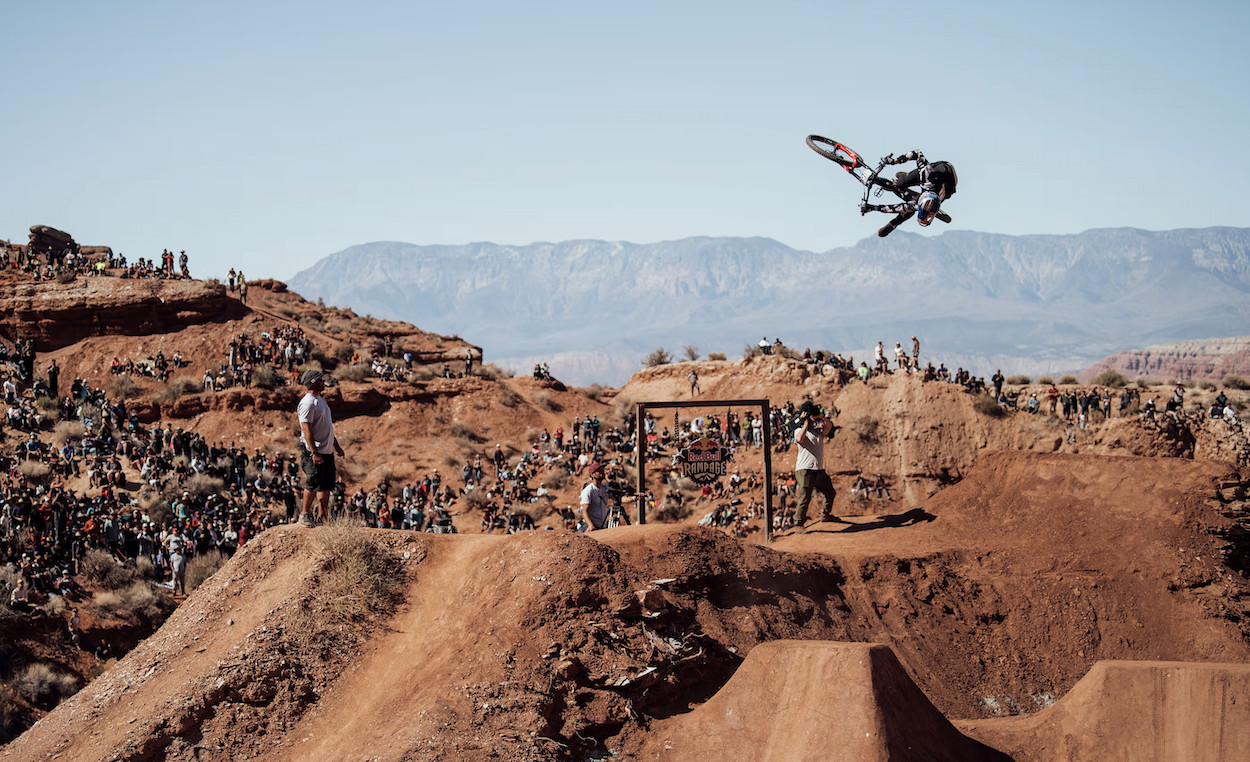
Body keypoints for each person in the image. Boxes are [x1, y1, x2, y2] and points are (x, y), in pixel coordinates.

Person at [861, 150, 958, 237]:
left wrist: (874, 208)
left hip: (948, 184)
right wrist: (894, 161)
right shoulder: (927, 176)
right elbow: (917, 153)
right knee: (899, 186)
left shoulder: (926, 201)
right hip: (941, 170)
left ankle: (893, 223)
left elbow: (900, 208)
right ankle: (905, 180)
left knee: (908, 208)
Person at [297, 369, 344, 526]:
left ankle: (323, 517)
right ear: (313, 382)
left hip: (326, 450)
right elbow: (306, 429)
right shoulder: (307, 403)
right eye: (320, 380)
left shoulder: (321, 401)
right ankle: (304, 514)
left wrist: (335, 445)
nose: (323, 382)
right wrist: (314, 452)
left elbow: (327, 427)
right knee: (313, 482)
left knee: (325, 485)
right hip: (315, 451)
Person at [791, 400, 839, 531]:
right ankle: (799, 522)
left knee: (830, 492)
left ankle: (825, 514)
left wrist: (821, 417)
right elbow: (800, 439)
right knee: (805, 495)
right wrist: (806, 422)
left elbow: (829, 427)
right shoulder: (799, 430)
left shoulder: (818, 431)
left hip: (818, 469)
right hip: (804, 469)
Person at [580, 461, 610, 530]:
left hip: (602, 525)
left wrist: (633, 498)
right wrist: (590, 525)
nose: (602, 473)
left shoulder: (605, 488)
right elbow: (584, 511)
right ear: (593, 474)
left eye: (602, 470)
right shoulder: (588, 491)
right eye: (599, 471)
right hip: (591, 526)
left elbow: (619, 497)